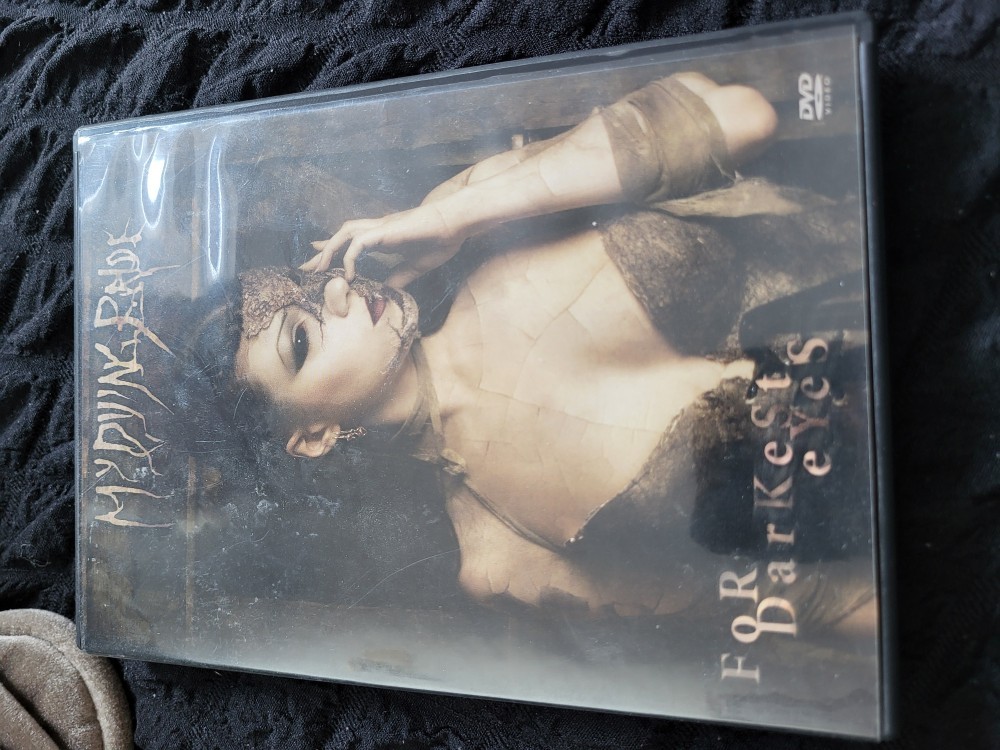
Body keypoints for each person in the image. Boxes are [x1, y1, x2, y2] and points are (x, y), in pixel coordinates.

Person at [218, 72, 875, 630]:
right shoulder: (503, 559)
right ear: (314, 437)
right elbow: (820, 603)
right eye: (300, 339)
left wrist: (460, 214)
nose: (337, 288)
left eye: (309, 280)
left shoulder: (480, 220)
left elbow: (743, 117)